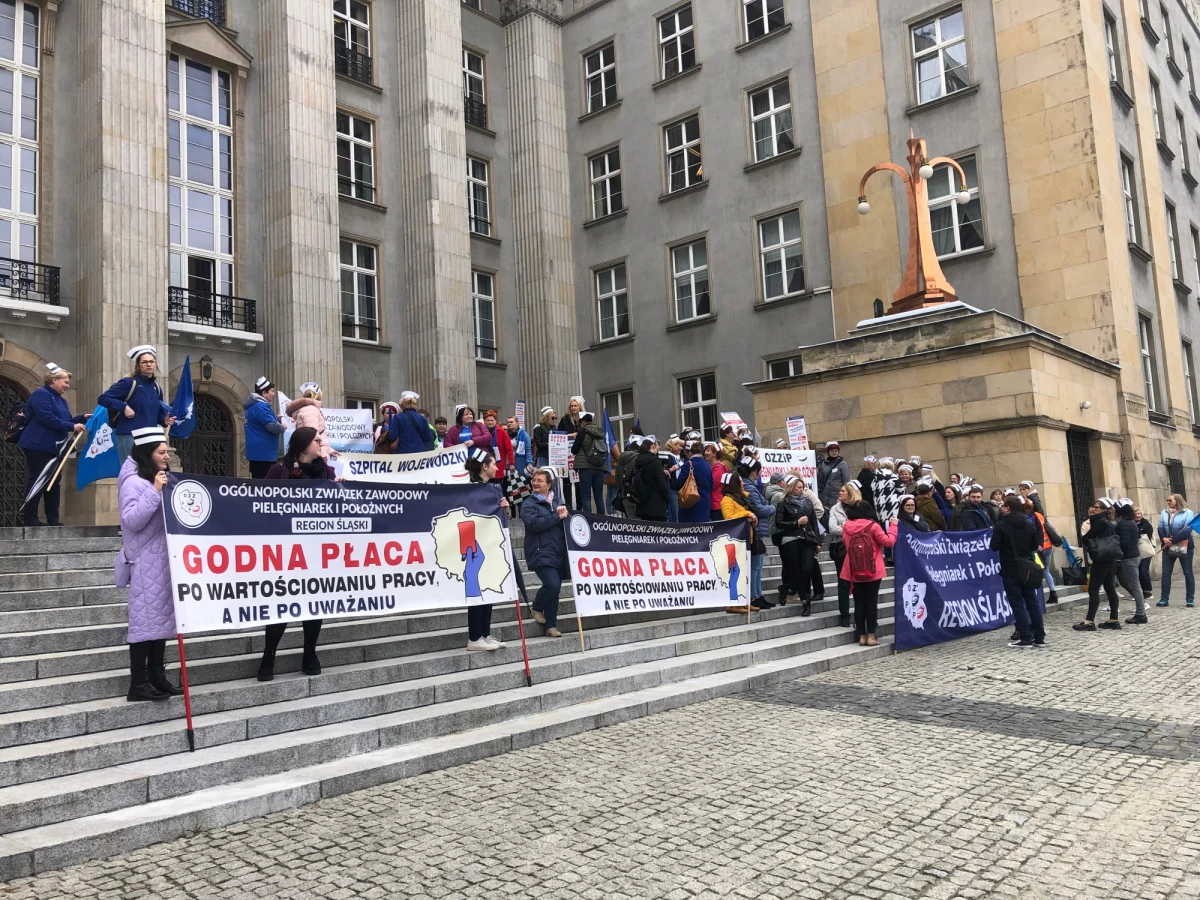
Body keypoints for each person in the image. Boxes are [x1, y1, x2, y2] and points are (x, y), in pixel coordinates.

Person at [258, 428, 338, 680]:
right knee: (280, 603)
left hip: (316, 549)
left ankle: (309, 653)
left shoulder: (328, 472)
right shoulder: (278, 471)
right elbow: (260, 504)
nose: (321, 443)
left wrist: (342, 491)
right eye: (317, 440)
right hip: (285, 549)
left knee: (314, 603)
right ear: (303, 446)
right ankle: (269, 654)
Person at [118, 426, 181, 701]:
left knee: (161, 622)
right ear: (147, 453)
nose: (167, 456)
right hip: (145, 561)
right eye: (162, 452)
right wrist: (155, 491)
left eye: (167, 451)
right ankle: (138, 684)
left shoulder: (156, 477)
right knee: (144, 624)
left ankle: (157, 676)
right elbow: (132, 520)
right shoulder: (133, 483)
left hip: (163, 560)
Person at [20, 364, 86, 526]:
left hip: (55, 447)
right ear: (53, 380)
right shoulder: (40, 395)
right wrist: (72, 426)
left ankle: (53, 519)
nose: (67, 385)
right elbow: (46, 417)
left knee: (54, 483)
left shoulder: (61, 400)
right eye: (65, 381)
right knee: (38, 479)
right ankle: (30, 518)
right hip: (38, 445)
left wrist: (81, 418)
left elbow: (66, 421)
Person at [461, 448, 510, 650]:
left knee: (488, 586)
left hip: (489, 541)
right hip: (473, 541)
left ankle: (485, 633)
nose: (497, 467)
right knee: (476, 588)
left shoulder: (491, 487)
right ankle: (474, 637)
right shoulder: (469, 488)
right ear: (484, 466)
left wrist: (503, 507)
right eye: (493, 464)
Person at [99, 345, 175, 463]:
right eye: (144, 362)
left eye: (151, 361)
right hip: (129, 435)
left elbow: (155, 412)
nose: (149, 364)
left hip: (150, 436)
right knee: (131, 472)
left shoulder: (157, 388)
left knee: (146, 474)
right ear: (138, 366)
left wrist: (163, 421)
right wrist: (124, 407)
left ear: (155, 365)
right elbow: (103, 398)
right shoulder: (128, 383)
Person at [990, 494, 1046, 648]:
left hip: (1010, 568)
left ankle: (1025, 637)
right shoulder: (1028, 524)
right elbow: (1035, 545)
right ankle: (1039, 636)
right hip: (1027, 567)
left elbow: (994, 546)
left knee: (1017, 604)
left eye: (1003, 506)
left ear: (1007, 508)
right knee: (1032, 602)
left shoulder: (1001, 525)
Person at [840, 500, 897, 646]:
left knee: (859, 604)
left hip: (854, 569)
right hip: (873, 569)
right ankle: (871, 636)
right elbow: (889, 542)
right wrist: (894, 526)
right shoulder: (873, 526)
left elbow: (847, 545)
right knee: (871, 603)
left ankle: (862, 636)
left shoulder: (846, 526)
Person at [521, 468, 568, 638]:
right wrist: (557, 517)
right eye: (534, 480)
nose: (535, 483)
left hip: (558, 551)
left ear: (549, 485)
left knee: (555, 590)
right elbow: (534, 524)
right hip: (540, 551)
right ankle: (536, 606)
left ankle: (551, 625)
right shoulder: (528, 504)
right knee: (552, 584)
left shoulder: (558, 501)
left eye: (540, 480)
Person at [774, 474, 821, 615]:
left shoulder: (807, 501)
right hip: (790, 539)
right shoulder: (783, 502)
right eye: (799, 487)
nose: (802, 489)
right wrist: (796, 523)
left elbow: (814, 523)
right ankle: (805, 603)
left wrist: (818, 542)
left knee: (807, 569)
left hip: (807, 539)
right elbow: (778, 523)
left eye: (803, 487)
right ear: (791, 487)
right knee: (796, 569)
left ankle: (786, 587)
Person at [1075, 498, 1121, 631]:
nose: (1093, 509)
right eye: (1093, 506)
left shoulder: (1100, 522)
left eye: (1097, 507)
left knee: (1093, 589)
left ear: (1104, 510)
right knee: (1110, 588)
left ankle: (1089, 621)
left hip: (1101, 560)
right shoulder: (1107, 522)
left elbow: (1085, 538)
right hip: (1109, 559)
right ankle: (1113, 619)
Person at [736, 458, 774, 610]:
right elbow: (758, 509)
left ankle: (758, 594)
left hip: (758, 529)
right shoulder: (750, 488)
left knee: (758, 565)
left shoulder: (751, 486)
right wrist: (773, 508)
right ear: (754, 472)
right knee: (755, 566)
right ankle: (754, 595)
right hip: (755, 529)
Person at [827, 483, 859, 628]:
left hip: (858, 549)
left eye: (843, 491)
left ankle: (860, 612)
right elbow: (833, 528)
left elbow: (864, 526)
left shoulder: (859, 507)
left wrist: (845, 527)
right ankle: (844, 615)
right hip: (841, 549)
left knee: (859, 582)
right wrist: (850, 528)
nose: (839, 493)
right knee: (843, 582)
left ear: (850, 493)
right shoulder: (835, 508)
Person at [1158, 493, 1195, 608]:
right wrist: (1164, 539)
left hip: (1185, 546)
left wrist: (1172, 540)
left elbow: (1187, 530)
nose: (1168, 502)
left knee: (1187, 572)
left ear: (1177, 500)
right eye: (1167, 500)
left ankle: (1190, 599)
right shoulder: (1165, 513)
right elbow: (1160, 527)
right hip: (1168, 546)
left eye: (1170, 500)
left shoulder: (1187, 513)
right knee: (1166, 573)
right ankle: (1164, 598)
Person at [1114, 499, 1147, 624]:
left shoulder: (1124, 524)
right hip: (1133, 556)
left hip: (1129, 557)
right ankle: (1140, 612)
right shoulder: (1131, 522)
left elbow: (1125, 542)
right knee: (1135, 584)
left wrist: (1118, 552)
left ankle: (1140, 613)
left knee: (1135, 585)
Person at [244, 376, 284, 478]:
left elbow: (264, 423)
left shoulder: (252, 407)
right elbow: (273, 427)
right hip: (264, 453)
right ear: (264, 393)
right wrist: (282, 426)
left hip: (256, 453)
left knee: (258, 484)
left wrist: (277, 420)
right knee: (265, 485)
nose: (273, 394)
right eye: (272, 391)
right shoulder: (261, 406)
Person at [570, 410, 607, 513]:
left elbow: (574, 450)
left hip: (586, 467)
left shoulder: (582, 432)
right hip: (599, 467)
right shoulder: (601, 432)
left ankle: (588, 521)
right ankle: (601, 521)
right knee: (599, 496)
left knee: (586, 496)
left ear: (583, 422)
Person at [286, 383, 333, 459]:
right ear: (317, 395)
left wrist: (330, 450)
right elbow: (313, 436)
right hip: (315, 455)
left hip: (312, 453)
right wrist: (323, 454)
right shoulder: (310, 409)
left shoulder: (309, 409)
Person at [632, 436, 670, 521]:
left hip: (642, 503)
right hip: (657, 505)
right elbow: (661, 483)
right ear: (653, 446)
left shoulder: (637, 461)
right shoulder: (656, 462)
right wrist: (667, 497)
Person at [557, 397, 585, 510]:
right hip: (566, 455)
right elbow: (557, 435)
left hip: (580, 455)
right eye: (572, 406)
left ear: (580, 407)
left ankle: (580, 509)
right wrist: (570, 435)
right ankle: (568, 508)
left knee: (579, 484)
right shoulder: (565, 419)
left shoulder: (584, 419)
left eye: (575, 405)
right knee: (567, 483)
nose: (573, 408)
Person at [675, 440, 713, 523]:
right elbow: (711, 485)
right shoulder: (708, 465)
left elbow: (679, 484)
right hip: (705, 503)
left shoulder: (688, 465)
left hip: (690, 502)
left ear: (689, 452)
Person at [817, 441, 850, 517]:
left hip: (837, 496)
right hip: (825, 497)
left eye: (836, 451)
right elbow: (821, 481)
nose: (834, 453)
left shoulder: (842, 464)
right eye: (832, 451)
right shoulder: (823, 464)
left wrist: (845, 495)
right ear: (828, 452)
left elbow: (846, 481)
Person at [481, 410, 515, 477]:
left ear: (495, 421)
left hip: (499, 464)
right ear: (484, 422)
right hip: (484, 464)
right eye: (488, 420)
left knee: (497, 484)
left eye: (492, 420)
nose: (490, 422)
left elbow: (509, 449)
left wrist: (511, 463)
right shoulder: (481, 432)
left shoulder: (502, 432)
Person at [615, 434, 642, 517]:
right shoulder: (638, 458)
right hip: (636, 495)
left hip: (624, 495)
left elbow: (617, 478)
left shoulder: (621, 459)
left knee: (630, 522)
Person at [1134, 506, 1156, 603]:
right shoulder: (1131, 523)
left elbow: (1148, 536)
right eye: (1135, 514)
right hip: (1135, 551)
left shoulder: (1146, 524)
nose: (1137, 515)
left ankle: (1148, 591)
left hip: (1145, 550)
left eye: (1139, 513)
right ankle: (1140, 591)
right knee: (1137, 571)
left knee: (1143, 570)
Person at [872, 457, 900, 523]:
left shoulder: (875, 478)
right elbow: (901, 490)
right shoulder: (892, 476)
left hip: (880, 507)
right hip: (893, 507)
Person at [704, 442, 728, 521]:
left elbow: (712, 484)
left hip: (716, 503)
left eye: (708, 451)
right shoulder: (719, 466)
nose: (705, 453)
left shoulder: (718, 468)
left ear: (714, 454)